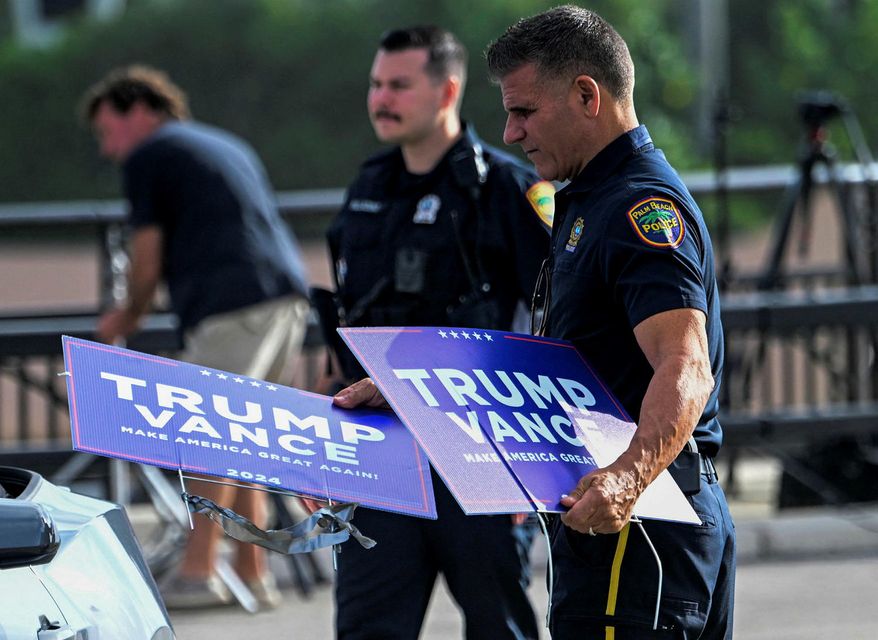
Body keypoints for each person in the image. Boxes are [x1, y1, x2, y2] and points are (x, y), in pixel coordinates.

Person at [336, 6, 736, 639]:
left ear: (586, 95)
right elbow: (555, 361)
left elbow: (686, 368)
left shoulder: (640, 206)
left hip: (637, 520)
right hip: (612, 515)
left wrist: (627, 480)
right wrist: (416, 387)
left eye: (524, 111)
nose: (511, 130)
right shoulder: (590, 196)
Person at [325, 26, 550, 640]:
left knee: (498, 626)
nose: (380, 98)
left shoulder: (508, 189)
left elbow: (553, 327)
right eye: (375, 84)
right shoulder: (367, 188)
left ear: (447, 89)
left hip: (479, 448)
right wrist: (321, 453)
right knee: (367, 628)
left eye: (398, 85)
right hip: (380, 450)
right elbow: (342, 328)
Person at [81, 65, 311, 610]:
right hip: (284, 300)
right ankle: (252, 573)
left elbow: (146, 255)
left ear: (138, 109)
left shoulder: (150, 154)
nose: (109, 149)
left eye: (106, 130)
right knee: (245, 442)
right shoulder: (219, 142)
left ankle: (196, 572)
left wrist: (125, 316)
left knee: (206, 436)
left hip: (231, 307)